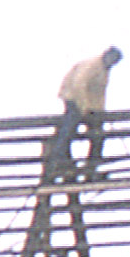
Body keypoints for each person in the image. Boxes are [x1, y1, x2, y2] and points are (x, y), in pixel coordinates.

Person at [49, 45, 122, 177]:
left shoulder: (105, 70)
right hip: (73, 96)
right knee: (70, 128)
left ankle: (92, 166)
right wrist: (84, 107)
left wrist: (100, 112)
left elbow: (100, 93)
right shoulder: (92, 65)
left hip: (89, 103)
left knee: (98, 133)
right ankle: (60, 161)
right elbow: (79, 84)